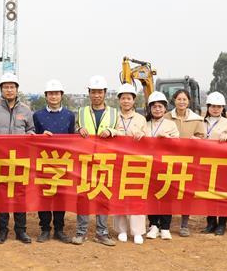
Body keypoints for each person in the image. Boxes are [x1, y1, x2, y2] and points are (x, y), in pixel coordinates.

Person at [0, 72, 35, 244]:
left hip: (20, 161)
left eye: (12, 87)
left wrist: (30, 135)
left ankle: (21, 231)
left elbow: (31, 130)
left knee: (20, 196)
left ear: (17, 89)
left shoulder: (26, 110)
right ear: (1, 90)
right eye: (6, 87)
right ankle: (3, 231)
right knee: (2, 197)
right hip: (1, 161)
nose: (9, 90)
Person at [72, 75, 119, 247]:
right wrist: (79, 129)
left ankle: (102, 233)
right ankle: (81, 232)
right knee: (83, 196)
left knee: (103, 196)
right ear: (89, 93)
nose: (97, 95)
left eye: (100, 92)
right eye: (93, 92)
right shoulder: (81, 111)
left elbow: (121, 131)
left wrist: (112, 131)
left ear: (105, 93)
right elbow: (74, 129)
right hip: (85, 160)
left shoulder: (114, 113)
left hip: (105, 161)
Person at [32, 78, 74, 243]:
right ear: (46, 96)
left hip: (62, 163)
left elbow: (72, 138)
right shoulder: (37, 115)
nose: (54, 96)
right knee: (44, 197)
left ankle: (59, 229)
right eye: (50, 94)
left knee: (60, 197)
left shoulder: (69, 115)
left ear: (61, 95)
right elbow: (33, 137)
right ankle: (44, 229)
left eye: (56, 93)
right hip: (43, 162)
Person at [111, 82, 147, 244]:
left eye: (129, 98)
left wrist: (142, 135)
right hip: (117, 162)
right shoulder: (113, 117)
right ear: (119, 100)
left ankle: (137, 231)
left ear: (134, 100)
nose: (126, 101)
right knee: (119, 195)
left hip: (135, 162)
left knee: (136, 196)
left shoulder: (141, 119)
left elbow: (149, 140)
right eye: (123, 98)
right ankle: (122, 229)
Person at [143, 91, 180, 240]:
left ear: (165, 108)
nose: (157, 109)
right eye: (154, 107)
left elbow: (177, 144)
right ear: (150, 108)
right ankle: (153, 225)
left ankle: (165, 227)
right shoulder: (145, 124)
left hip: (166, 165)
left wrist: (167, 140)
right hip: (149, 166)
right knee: (151, 196)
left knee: (166, 195)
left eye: (160, 106)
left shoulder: (171, 124)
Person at [170, 89, 205, 236]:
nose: (181, 102)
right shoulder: (167, 117)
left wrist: (197, 140)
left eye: (184, 99)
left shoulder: (197, 120)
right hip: (170, 161)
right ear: (174, 100)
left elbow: (202, 138)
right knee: (168, 191)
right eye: (179, 99)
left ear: (189, 101)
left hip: (189, 162)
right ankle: (165, 223)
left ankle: (184, 225)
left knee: (186, 193)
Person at [201, 92, 227, 235]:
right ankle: (211, 222)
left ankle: (222, 224)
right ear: (208, 107)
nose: (215, 109)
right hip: (205, 164)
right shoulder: (201, 122)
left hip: (223, 164)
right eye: (213, 106)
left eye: (219, 107)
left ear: (223, 108)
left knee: (222, 194)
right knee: (208, 194)